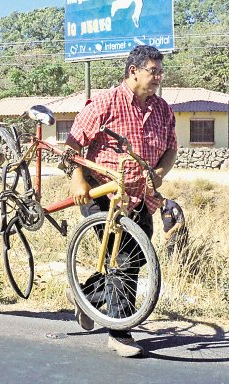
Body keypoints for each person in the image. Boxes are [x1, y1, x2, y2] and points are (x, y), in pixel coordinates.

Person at [65, 45, 177, 357]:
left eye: (159, 71)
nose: (158, 77)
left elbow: (171, 149)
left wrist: (159, 173)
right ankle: (119, 332)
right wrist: (77, 180)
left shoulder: (163, 109)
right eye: (152, 71)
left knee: (138, 259)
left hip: (142, 196)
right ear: (133, 72)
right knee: (124, 261)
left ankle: (87, 295)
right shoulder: (104, 103)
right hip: (103, 195)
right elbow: (73, 144)